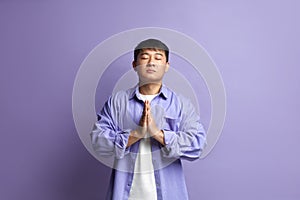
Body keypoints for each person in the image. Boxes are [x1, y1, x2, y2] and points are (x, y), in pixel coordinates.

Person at [90, 39, 207, 200]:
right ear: (134, 65)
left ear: (167, 66)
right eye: (145, 57)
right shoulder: (117, 102)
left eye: (158, 57)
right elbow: (98, 142)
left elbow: (198, 145)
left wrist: (157, 134)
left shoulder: (180, 104)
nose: (151, 62)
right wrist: (136, 134)